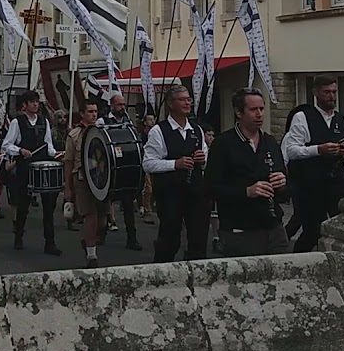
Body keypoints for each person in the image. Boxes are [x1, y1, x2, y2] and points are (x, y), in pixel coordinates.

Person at [204, 88, 290, 256]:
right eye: (253, 109)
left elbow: (285, 186)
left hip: (274, 227)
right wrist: (246, 192)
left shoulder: (270, 141)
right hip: (240, 229)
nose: (259, 114)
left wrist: (282, 183)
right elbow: (209, 188)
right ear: (239, 112)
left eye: (261, 109)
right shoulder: (223, 144)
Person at [283, 75, 344, 252]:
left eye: (334, 92)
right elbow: (292, 150)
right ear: (315, 93)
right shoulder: (302, 117)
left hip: (337, 183)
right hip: (310, 184)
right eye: (326, 92)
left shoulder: (343, 120)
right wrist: (318, 149)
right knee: (313, 231)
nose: (331, 96)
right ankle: (299, 261)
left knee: (342, 227)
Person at [142, 85, 209, 262]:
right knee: (170, 237)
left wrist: (202, 158)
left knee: (199, 236)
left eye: (189, 99)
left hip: (195, 189)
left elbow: (205, 154)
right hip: (170, 191)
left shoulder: (196, 129)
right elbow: (148, 163)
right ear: (171, 104)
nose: (187, 102)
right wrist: (175, 164)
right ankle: (162, 271)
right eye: (182, 99)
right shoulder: (159, 131)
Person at [2, 90, 63, 256]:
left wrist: (56, 153)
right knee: (23, 206)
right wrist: (20, 150)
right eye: (32, 102)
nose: (35, 104)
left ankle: (50, 242)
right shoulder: (17, 122)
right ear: (25, 105)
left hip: (42, 166)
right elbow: (6, 145)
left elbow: (48, 145)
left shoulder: (44, 121)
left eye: (37, 101)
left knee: (48, 206)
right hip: (25, 168)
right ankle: (19, 236)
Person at [65, 100, 109, 268]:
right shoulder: (74, 135)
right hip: (82, 178)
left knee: (103, 220)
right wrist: (67, 187)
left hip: (101, 180)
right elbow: (68, 162)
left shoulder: (102, 133)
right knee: (90, 216)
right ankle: (92, 256)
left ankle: (88, 240)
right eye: (90, 111)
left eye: (96, 111)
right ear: (82, 114)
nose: (94, 114)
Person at [97, 93, 142, 250]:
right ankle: (101, 234)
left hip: (125, 167)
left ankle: (132, 238)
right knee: (104, 204)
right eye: (119, 105)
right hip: (109, 167)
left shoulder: (127, 121)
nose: (122, 108)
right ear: (112, 106)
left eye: (123, 105)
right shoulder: (102, 121)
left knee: (128, 204)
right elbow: (97, 142)